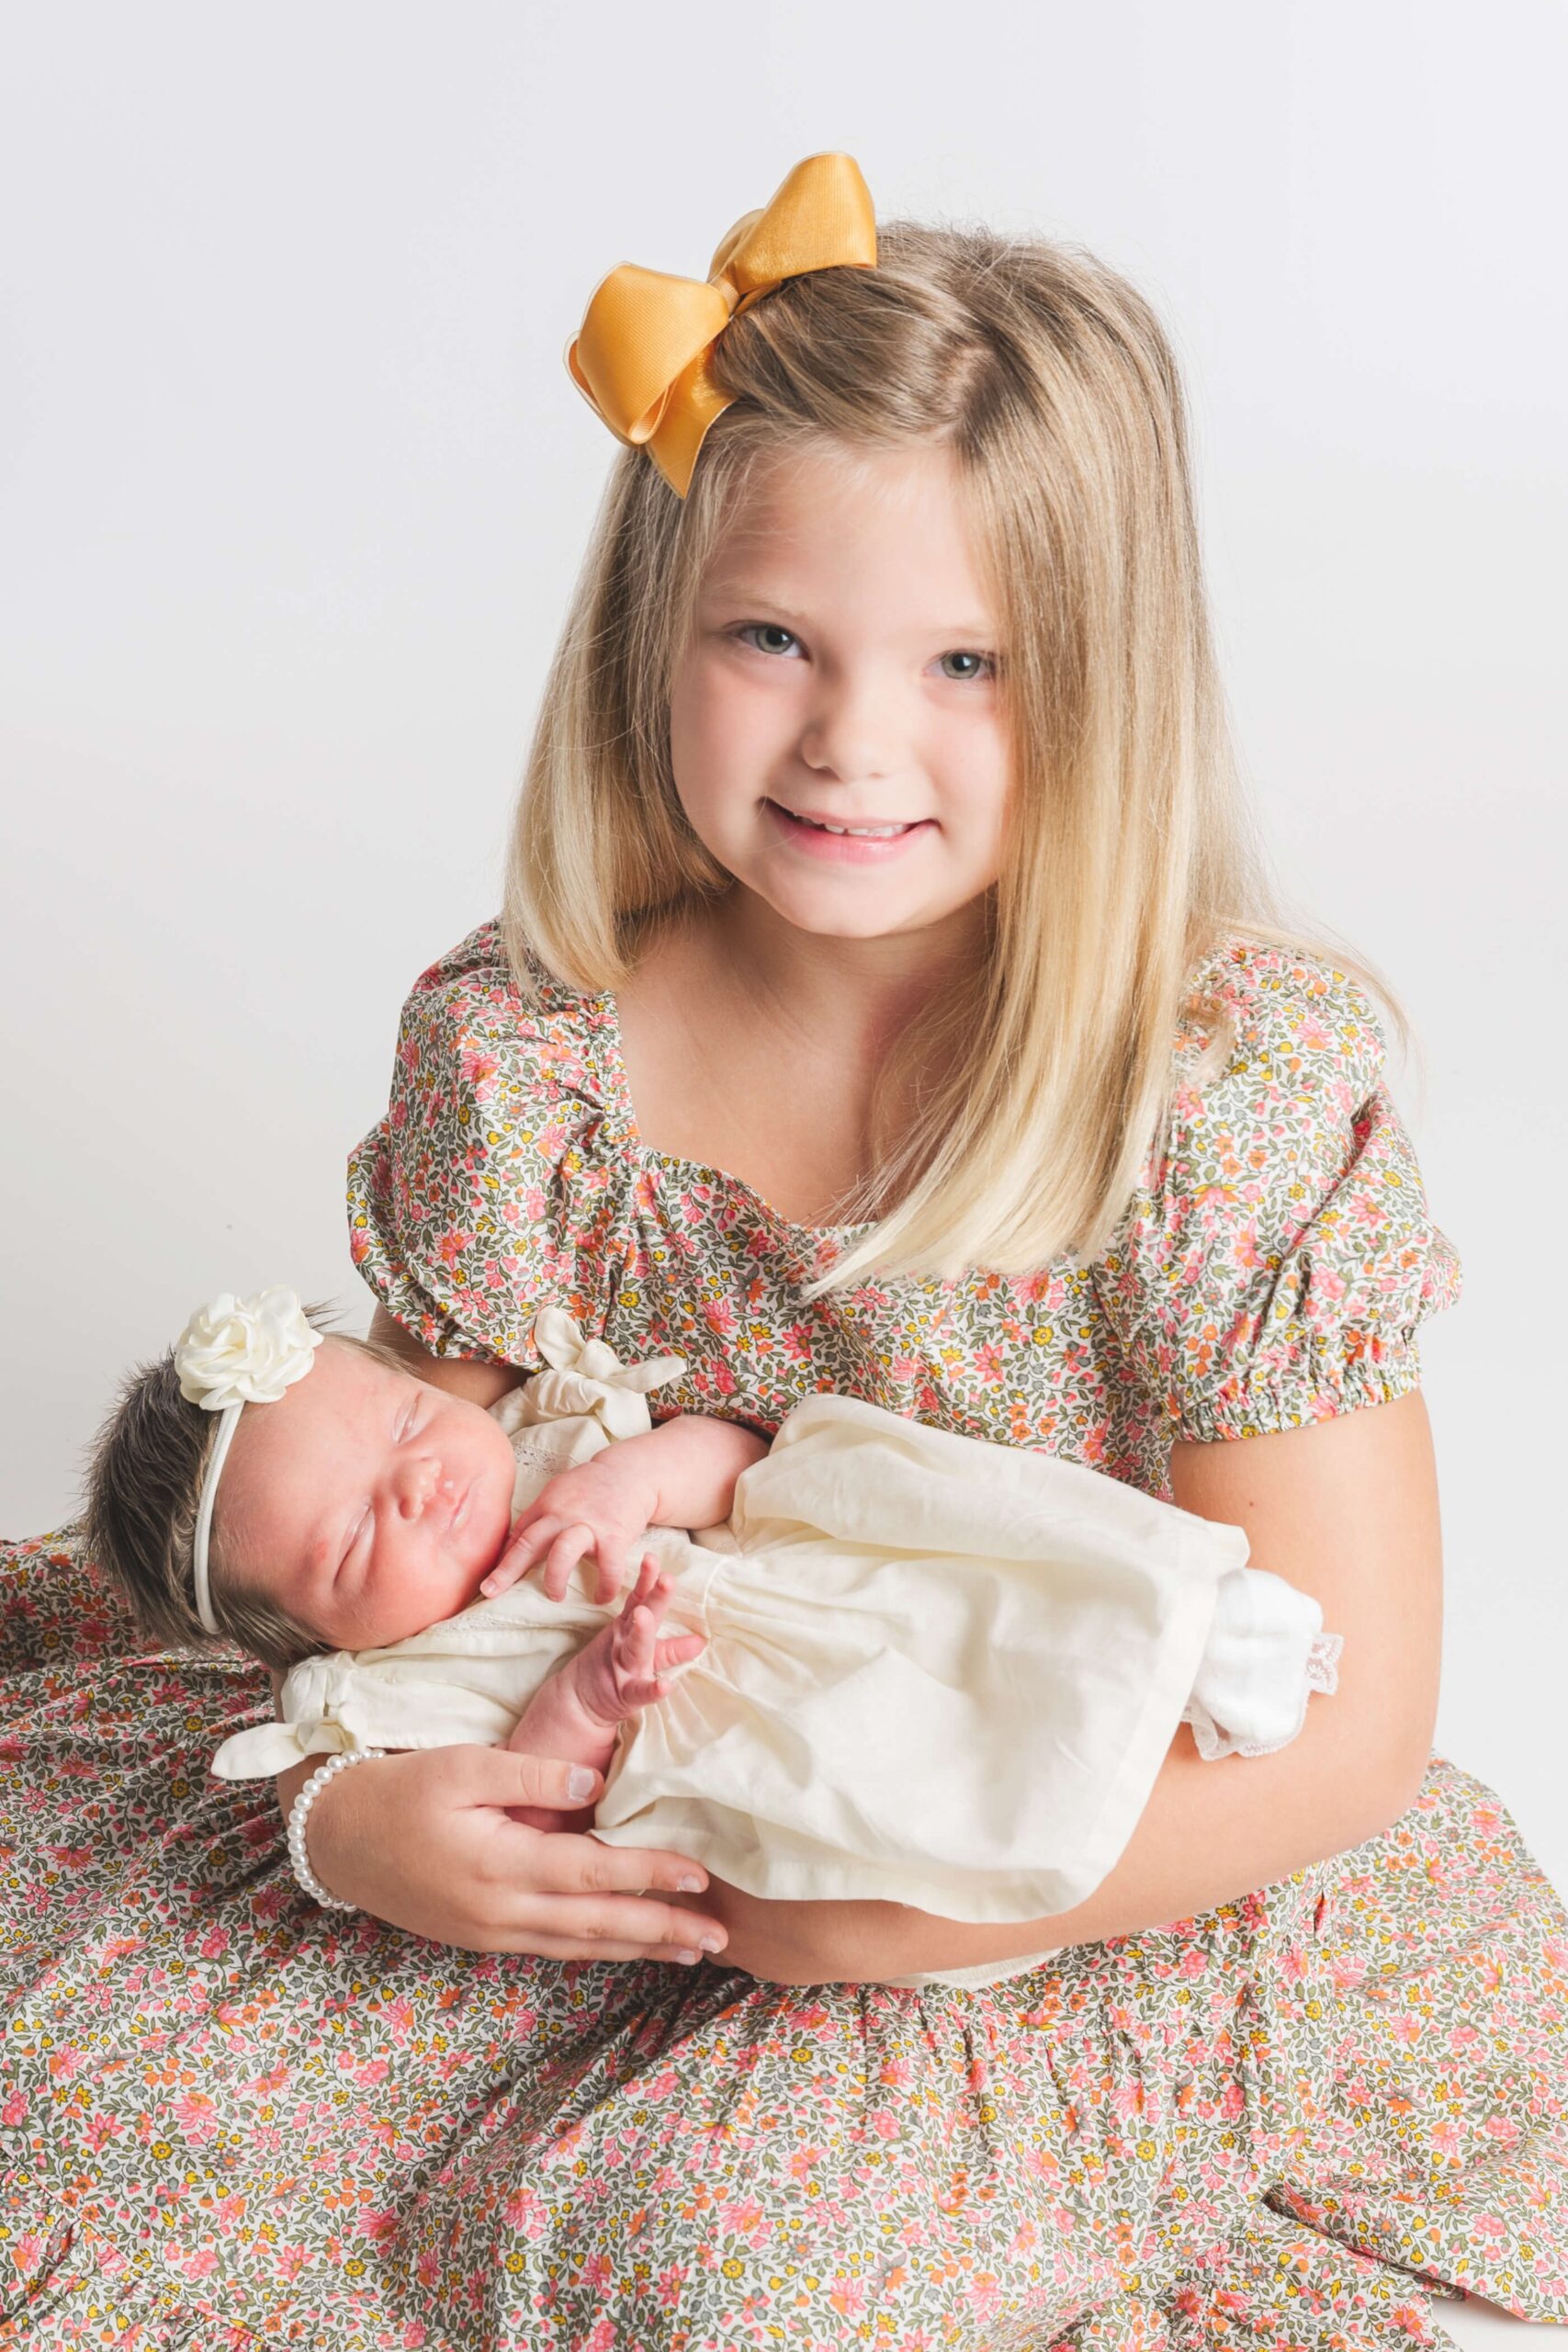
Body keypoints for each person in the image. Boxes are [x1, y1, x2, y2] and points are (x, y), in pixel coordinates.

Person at [5, 151, 1566, 2348]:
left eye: (966, 663)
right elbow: (426, 1513)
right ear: (654, 631)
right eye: (770, 640)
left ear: (1101, 683)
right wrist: (363, 1819)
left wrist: (912, 1919)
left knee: (716, 2268)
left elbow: (1344, 1732)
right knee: (66, 2058)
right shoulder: (531, 1048)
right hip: (648, 1812)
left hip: (1065, 1848)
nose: (852, 741)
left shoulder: (1208, 1091)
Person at [85, 1287, 1340, 1975]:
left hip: (815, 1591)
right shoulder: (403, 1686)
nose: (418, 1485)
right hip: (739, 1727)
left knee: (971, 1609)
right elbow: (533, 1803)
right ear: (305, 1643)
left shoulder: (542, 1443)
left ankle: (1187, 1643)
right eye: (355, 1536)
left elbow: (731, 1456)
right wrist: (587, 1694)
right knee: (911, 1763)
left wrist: (634, 1483)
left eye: (408, 1426)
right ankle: (1026, 1861)